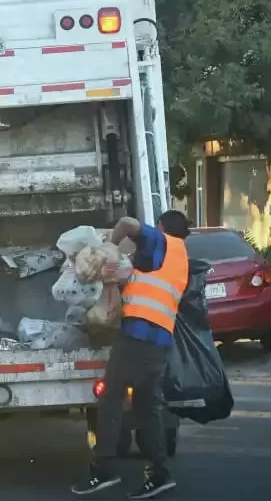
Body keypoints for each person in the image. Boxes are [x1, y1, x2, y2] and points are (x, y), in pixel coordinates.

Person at [72, 210, 191, 499]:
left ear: (162, 227)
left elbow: (126, 223)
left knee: (111, 398)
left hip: (138, 339)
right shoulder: (178, 258)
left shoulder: (162, 242)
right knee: (146, 405)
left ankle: (104, 468)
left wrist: (105, 248)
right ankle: (160, 472)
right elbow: (145, 288)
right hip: (158, 342)